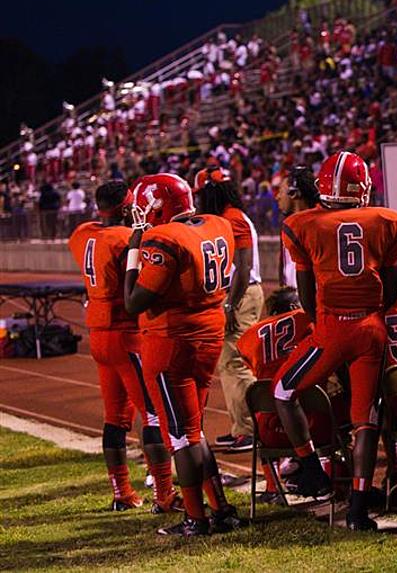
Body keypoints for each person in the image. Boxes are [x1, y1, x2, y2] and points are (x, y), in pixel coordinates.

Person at [273, 151, 397, 531]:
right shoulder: (388, 221)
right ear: (362, 187)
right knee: (366, 420)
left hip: (332, 327)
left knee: (284, 390)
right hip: (371, 327)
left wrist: (324, 325)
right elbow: (392, 284)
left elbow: (306, 287)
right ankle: (359, 508)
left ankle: (313, 470)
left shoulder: (301, 225)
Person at [122, 173, 244, 536]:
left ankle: (196, 517)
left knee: (181, 435)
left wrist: (133, 249)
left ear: (158, 207)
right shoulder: (218, 224)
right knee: (194, 430)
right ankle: (220, 508)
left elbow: (133, 301)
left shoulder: (164, 238)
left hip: (172, 342)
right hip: (208, 335)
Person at [67, 181, 179, 514]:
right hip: (125, 332)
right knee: (154, 415)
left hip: (98, 336)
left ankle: (122, 493)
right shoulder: (125, 241)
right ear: (125, 207)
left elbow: (98, 229)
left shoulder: (82, 234)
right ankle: (164, 494)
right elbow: (139, 286)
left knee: (115, 418)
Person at [236, 287, 331, 499]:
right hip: (315, 426)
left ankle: (272, 487)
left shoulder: (249, 337)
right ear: (293, 307)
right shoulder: (307, 318)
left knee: (262, 413)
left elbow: (258, 374)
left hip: (272, 433)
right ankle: (336, 475)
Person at [194, 167, 264, 453]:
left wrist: (228, 304)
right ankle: (242, 427)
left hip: (241, 295)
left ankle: (250, 430)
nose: (197, 201)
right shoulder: (232, 216)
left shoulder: (232, 219)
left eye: (200, 195)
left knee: (237, 363)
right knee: (230, 364)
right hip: (240, 294)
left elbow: (244, 268)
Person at [276, 166, 320, 288]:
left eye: (280, 191)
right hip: (292, 297)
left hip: (310, 299)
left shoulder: (318, 225)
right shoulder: (289, 224)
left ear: (293, 192)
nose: (277, 197)